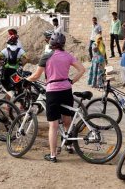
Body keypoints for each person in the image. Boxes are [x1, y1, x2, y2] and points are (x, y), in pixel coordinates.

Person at [26, 32, 85, 162]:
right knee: (67, 119)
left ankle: (53, 155)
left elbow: (36, 76)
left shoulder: (46, 56)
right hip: (66, 90)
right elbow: (82, 69)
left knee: (53, 125)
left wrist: (26, 80)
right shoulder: (68, 56)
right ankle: (69, 144)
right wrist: (72, 81)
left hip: (53, 91)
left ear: (50, 43)